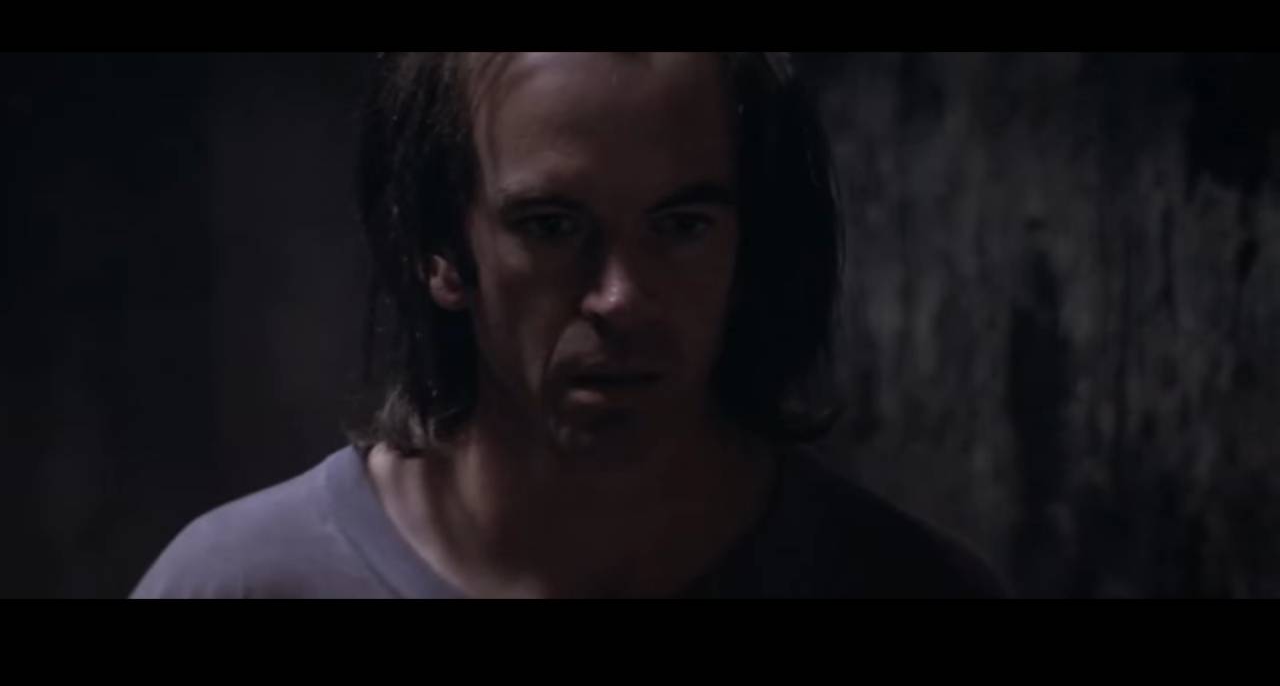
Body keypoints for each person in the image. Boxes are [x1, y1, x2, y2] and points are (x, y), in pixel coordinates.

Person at [132, 52, 1007, 599]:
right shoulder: (241, 583)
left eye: (681, 226)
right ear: (440, 252)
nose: (620, 297)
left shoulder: (906, 585)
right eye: (551, 227)